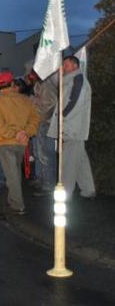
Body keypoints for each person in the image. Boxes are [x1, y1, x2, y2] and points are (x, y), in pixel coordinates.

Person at [0, 70, 40, 214]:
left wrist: (15, 134)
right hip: (22, 143)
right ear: (12, 83)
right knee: (15, 172)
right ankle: (13, 199)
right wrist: (26, 133)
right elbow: (35, 119)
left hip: (5, 143)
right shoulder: (26, 100)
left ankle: (17, 205)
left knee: (12, 175)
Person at [47, 55, 96, 199]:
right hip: (73, 127)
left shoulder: (78, 80)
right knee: (80, 160)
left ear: (75, 65)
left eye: (66, 65)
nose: (63, 68)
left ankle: (65, 193)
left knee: (68, 162)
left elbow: (75, 102)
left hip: (72, 128)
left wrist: (61, 117)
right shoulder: (73, 79)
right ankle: (88, 189)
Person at [29, 71, 58, 195]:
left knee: (46, 154)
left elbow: (51, 105)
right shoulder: (40, 85)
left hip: (45, 124)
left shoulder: (46, 86)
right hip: (40, 123)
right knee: (39, 153)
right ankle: (42, 179)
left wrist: (34, 103)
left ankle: (48, 184)